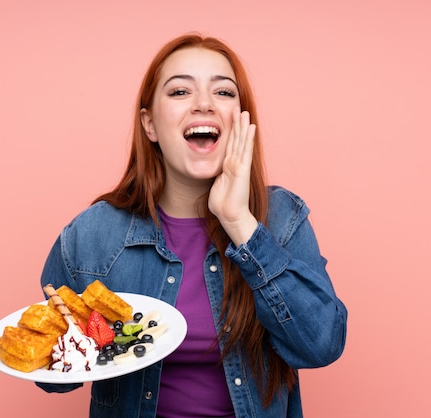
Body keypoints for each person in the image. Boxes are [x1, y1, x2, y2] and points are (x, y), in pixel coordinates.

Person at [36, 33, 347, 417]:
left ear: (242, 120)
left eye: (224, 92)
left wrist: (239, 222)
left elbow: (321, 346)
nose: (203, 104)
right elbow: (49, 377)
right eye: (180, 92)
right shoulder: (92, 235)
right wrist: (73, 344)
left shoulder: (282, 218)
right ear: (150, 125)